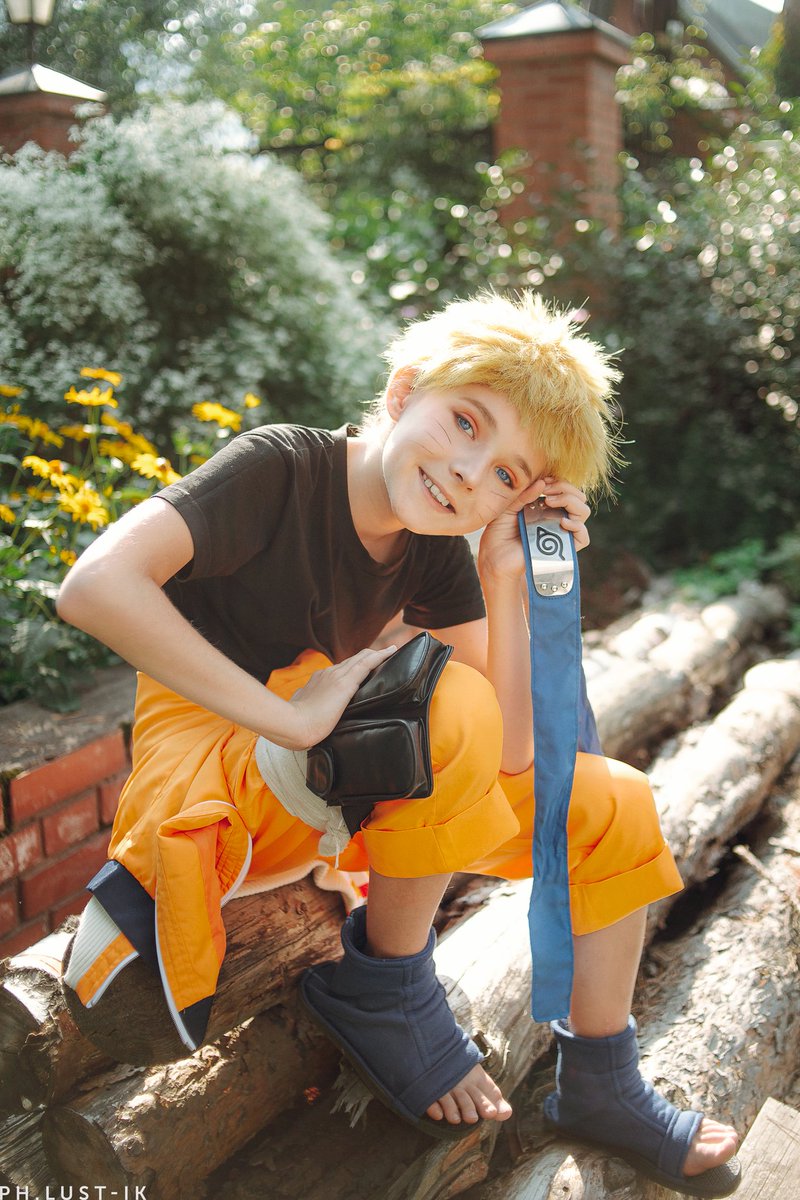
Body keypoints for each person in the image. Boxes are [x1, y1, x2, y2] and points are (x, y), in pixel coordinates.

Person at [58, 292, 740, 1198]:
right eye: (465, 422)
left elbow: (505, 757)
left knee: (610, 800)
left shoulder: (433, 543)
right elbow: (93, 586)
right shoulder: (281, 466)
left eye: (506, 475)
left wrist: (504, 574)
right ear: (403, 390)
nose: (467, 471)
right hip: (215, 785)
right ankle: (385, 983)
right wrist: (290, 716)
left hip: (325, 786)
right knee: (441, 700)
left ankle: (601, 1081)